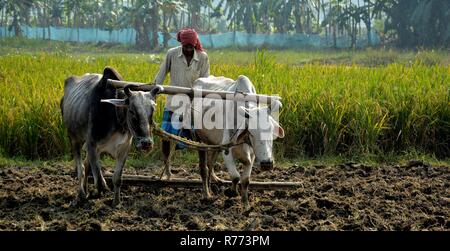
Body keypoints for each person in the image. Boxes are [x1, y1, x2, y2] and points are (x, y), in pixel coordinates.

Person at [153, 28, 210, 150]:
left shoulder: (202, 57)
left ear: (195, 44)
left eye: (191, 47)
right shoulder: (172, 54)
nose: (189, 49)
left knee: (196, 139)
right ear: (181, 44)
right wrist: (153, 93)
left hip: (193, 105)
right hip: (173, 103)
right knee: (166, 138)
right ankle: (166, 162)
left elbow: (205, 81)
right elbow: (161, 75)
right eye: (186, 47)